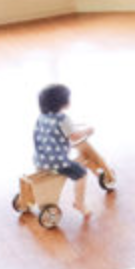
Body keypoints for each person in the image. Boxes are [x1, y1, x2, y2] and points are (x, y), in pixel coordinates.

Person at [31, 83, 109, 215]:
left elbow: (51, 135)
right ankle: (79, 203)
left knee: (72, 161)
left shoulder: (42, 117)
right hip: (57, 161)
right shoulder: (62, 119)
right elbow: (74, 136)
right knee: (82, 174)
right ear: (62, 102)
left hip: (39, 158)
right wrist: (87, 131)